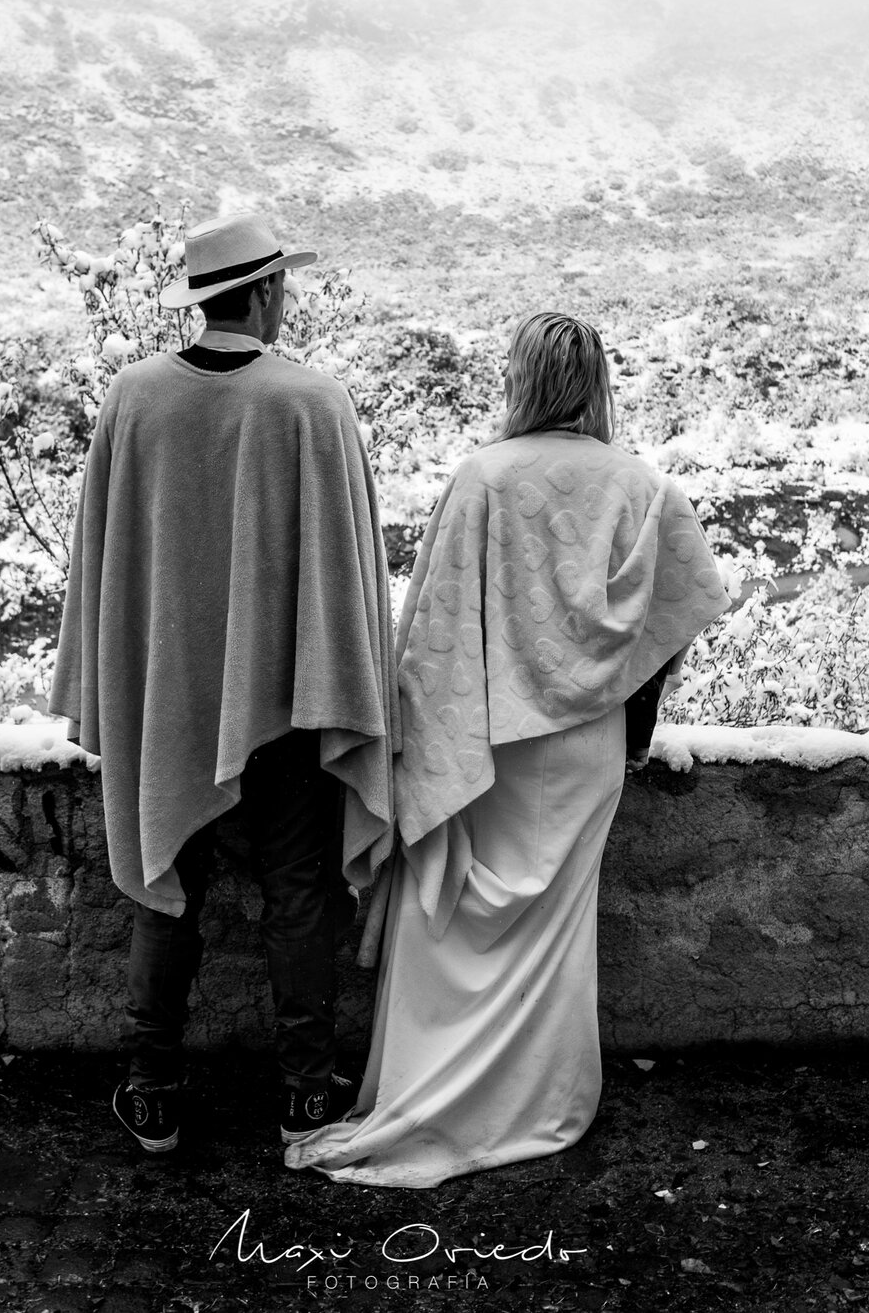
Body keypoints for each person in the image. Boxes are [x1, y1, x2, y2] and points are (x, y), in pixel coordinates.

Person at [285, 311, 729, 1188]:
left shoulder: (483, 479)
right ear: (597, 381)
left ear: (520, 380)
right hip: (585, 751)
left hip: (486, 745)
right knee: (557, 936)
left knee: (443, 922)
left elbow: (434, 636)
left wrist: (418, 746)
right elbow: (679, 611)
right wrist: (629, 714)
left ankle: (428, 1095)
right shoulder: (642, 487)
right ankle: (546, 1103)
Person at [51, 213, 396, 1157]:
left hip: (165, 698)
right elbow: (347, 573)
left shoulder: (135, 398)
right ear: (269, 291)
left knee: (167, 882)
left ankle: (152, 1087)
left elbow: (106, 561)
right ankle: (304, 1097)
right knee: (298, 889)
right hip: (286, 697)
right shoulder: (311, 402)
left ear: (204, 298)